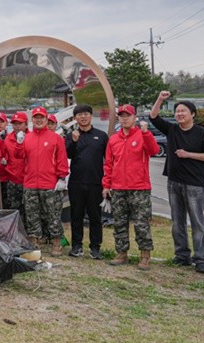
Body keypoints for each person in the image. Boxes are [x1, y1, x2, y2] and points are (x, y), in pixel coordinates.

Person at [149, 91, 204, 273]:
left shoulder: (202, 134)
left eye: (183, 111)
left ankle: (201, 259)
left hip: (194, 184)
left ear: (192, 114)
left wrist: (188, 155)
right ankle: (182, 255)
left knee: (197, 223)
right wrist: (160, 99)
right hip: (174, 183)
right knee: (177, 221)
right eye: (177, 111)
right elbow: (153, 117)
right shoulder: (172, 130)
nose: (179, 114)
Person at [103, 105, 160, 269]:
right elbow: (108, 164)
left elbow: (154, 150)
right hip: (118, 188)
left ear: (135, 117)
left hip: (139, 188)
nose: (124, 118)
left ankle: (145, 255)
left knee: (141, 223)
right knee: (120, 223)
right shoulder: (114, 139)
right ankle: (121, 253)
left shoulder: (142, 135)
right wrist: (106, 185)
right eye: (121, 115)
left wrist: (146, 133)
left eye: (128, 115)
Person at [15, 106, 69, 255]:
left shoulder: (55, 138)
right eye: (36, 118)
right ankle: (34, 243)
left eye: (42, 118)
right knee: (32, 215)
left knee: (52, 215)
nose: (39, 120)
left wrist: (62, 177)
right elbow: (19, 156)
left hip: (50, 184)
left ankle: (56, 243)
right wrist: (19, 143)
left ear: (46, 119)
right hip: (31, 183)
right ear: (32, 120)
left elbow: (61, 159)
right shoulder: (27, 138)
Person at [65, 104, 108, 259]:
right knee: (76, 215)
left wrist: (107, 183)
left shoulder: (101, 136)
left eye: (86, 114)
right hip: (76, 181)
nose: (83, 117)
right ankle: (76, 246)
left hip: (96, 182)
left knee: (95, 216)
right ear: (75, 118)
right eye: (79, 115)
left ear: (91, 116)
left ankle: (95, 247)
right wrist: (74, 141)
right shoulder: (72, 135)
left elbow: (108, 160)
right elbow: (67, 155)